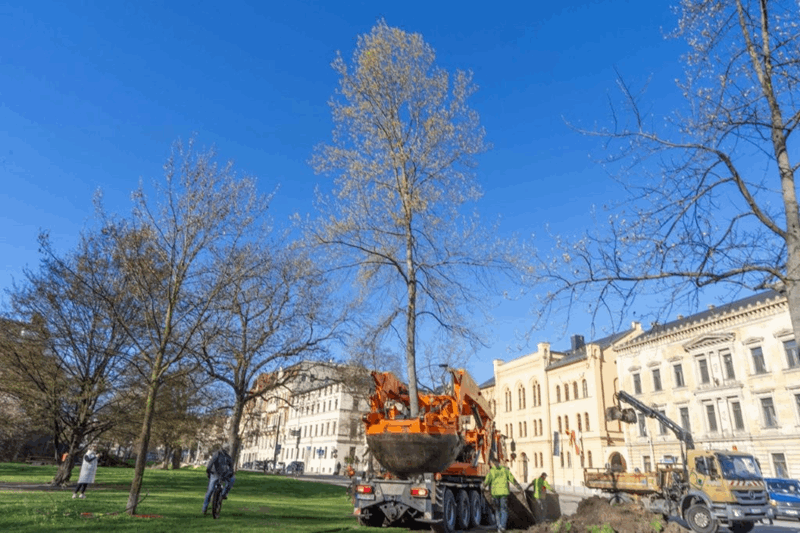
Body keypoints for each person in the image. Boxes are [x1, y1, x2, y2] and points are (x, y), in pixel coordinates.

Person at [482, 459, 522, 533]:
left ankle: (499, 527)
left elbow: (486, 481)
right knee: (503, 510)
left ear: (492, 464)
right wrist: (519, 487)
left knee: (497, 510)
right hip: (503, 493)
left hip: (495, 494)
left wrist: (482, 487)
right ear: (499, 463)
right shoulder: (505, 470)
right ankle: (502, 527)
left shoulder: (491, 471)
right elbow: (512, 479)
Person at [202, 444, 235, 515]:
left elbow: (231, 467)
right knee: (210, 490)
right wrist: (208, 471)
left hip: (224, 474)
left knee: (232, 479)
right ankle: (204, 508)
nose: (226, 450)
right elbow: (211, 463)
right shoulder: (217, 454)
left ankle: (223, 494)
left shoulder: (228, 457)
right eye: (225, 449)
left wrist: (231, 473)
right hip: (215, 474)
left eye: (227, 449)